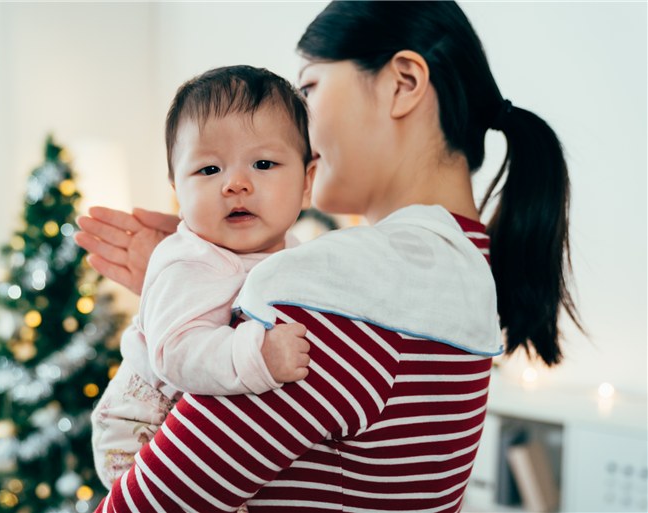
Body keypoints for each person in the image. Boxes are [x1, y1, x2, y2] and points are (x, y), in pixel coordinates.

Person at [75, 2, 582, 511]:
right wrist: (196, 283)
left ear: (403, 82)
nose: (302, 126)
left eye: (310, 89)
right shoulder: (459, 265)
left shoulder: (342, 288)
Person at [88, 65, 315, 489]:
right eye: (209, 170)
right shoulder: (184, 262)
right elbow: (175, 353)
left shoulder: (297, 257)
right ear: (177, 187)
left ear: (307, 181)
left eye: (263, 163)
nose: (236, 184)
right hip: (141, 430)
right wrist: (259, 355)